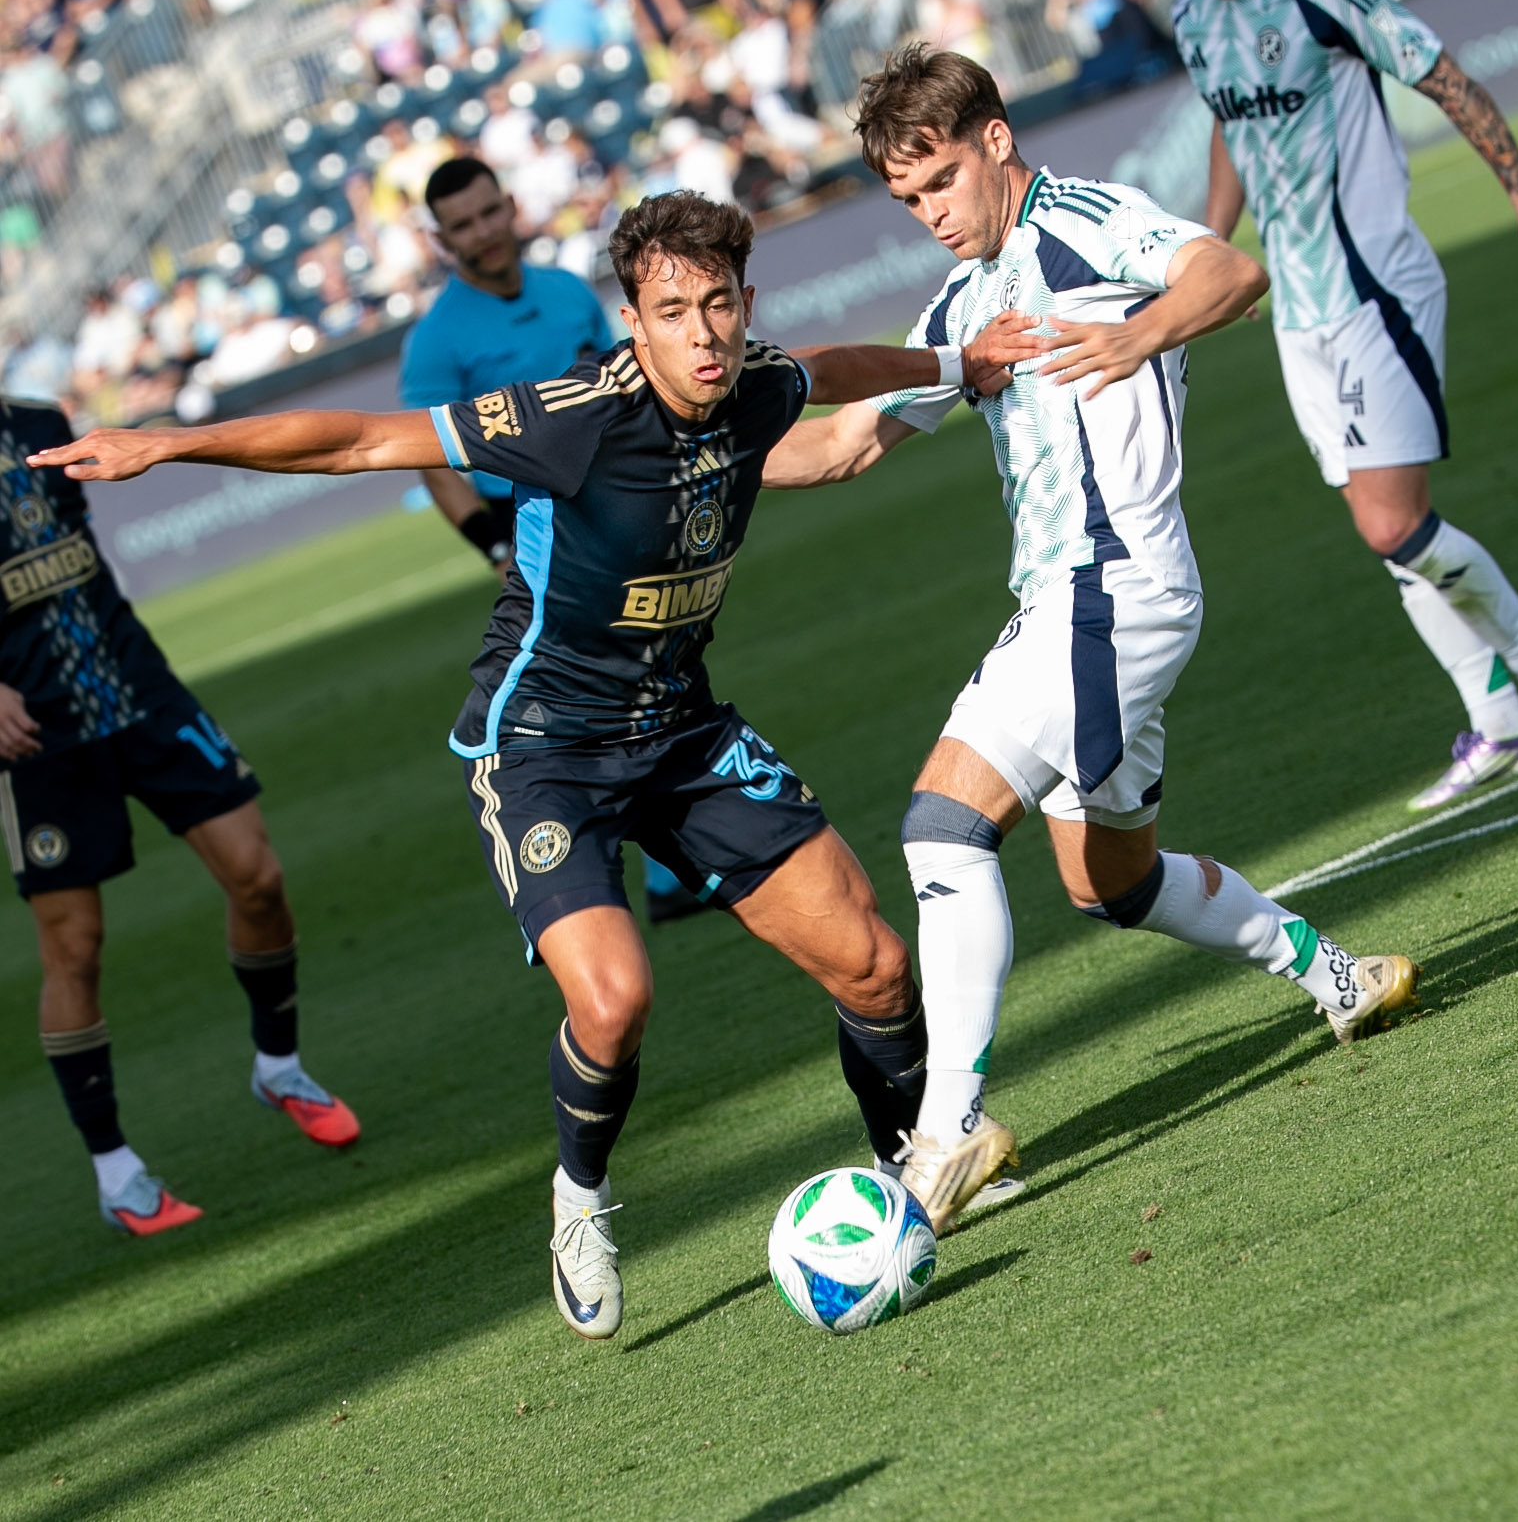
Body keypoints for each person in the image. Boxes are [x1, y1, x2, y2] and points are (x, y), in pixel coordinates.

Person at [30, 191, 1034, 1338]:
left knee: (875, 967)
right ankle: (581, 1203)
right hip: (543, 750)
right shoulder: (571, 416)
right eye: (672, 312)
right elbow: (363, 439)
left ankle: (914, 1162)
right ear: (631, 322)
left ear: (745, 302)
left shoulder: (755, 379)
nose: (703, 334)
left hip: (683, 732)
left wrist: (956, 363)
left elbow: (831, 368)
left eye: (719, 305)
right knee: (615, 1000)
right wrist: (168, 444)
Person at [762, 47, 1419, 1232]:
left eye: (942, 181)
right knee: (1110, 881)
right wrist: (688, 462)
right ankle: (1337, 975)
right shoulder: (961, 308)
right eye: (908, 198)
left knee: (943, 826)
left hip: (1109, 590)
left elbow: (1229, 271)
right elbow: (845, 444)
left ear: (996, 140)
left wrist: (1138, 335)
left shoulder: (1085, 220)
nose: (931, 213)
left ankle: (947, 1131)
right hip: (1085, 605)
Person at [1131, 0, 1518, 811]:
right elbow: (1229, 125)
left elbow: (1443, 75)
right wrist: (1209, 252)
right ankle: (1497, 717)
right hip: (1296, 312)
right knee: (1379, 532)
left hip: (1375, 291)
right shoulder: (1193, 14)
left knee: (1394, 522)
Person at [1, 397, 358, 1239]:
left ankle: (279, 1065)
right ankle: (115, 1170)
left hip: (141, 693)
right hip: (39, 739)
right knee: (74, 947)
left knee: (258, 876)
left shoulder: (40, 422)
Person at [399, 158, 693, 922]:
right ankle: (596, 868)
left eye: (488, 213)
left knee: (657, 669)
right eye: (462, 225)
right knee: (579, 693)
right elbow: (434, 461)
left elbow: (629, 385)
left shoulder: (565, 291)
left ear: (510, 206)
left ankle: (669, 870)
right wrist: (494, 549)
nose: (482, 233)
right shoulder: (436, 340)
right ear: (441, 240)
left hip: (617, 510)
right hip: (532, 529)